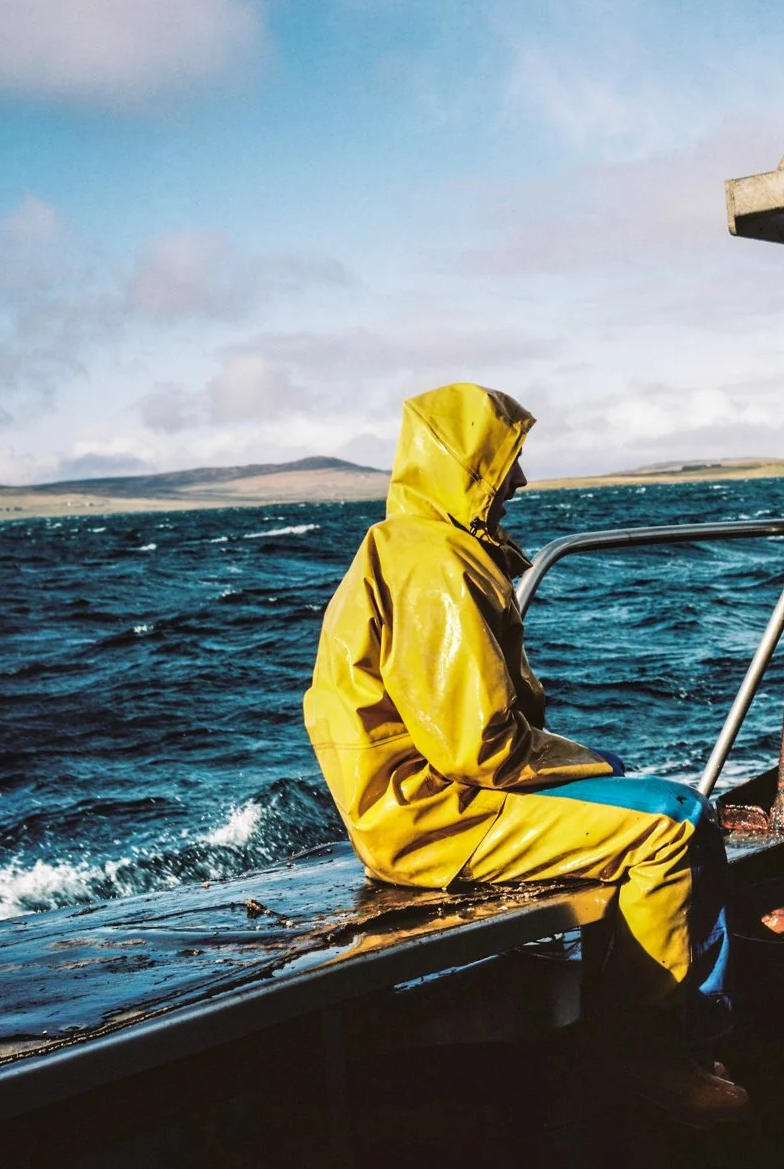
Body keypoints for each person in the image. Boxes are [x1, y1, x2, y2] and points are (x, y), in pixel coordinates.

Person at [304, 382, 748, 1127]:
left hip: (420, 799)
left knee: (642, 795)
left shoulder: (410, 542)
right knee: (677, 824)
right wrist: (595, 767)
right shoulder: (437, 565)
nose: (519, 480)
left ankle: (663, 1023)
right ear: (462, 466)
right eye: (503, 462)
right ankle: (642, 1047)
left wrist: (593, 766)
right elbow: (481, 746)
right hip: (435, 817)